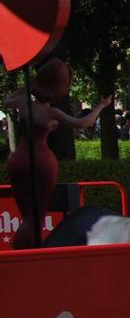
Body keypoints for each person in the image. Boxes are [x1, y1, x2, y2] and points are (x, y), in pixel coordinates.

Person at [3, 61, 112, 248]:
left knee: (26, 214)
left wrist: (29, 85)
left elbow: (8, 100)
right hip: (41, 161)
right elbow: (83, 122)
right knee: (36, 215)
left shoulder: (24, 103)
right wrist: (101, 106)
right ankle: (28, 251)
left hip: (18, 159)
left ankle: (23, 248)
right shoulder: (51, 112)